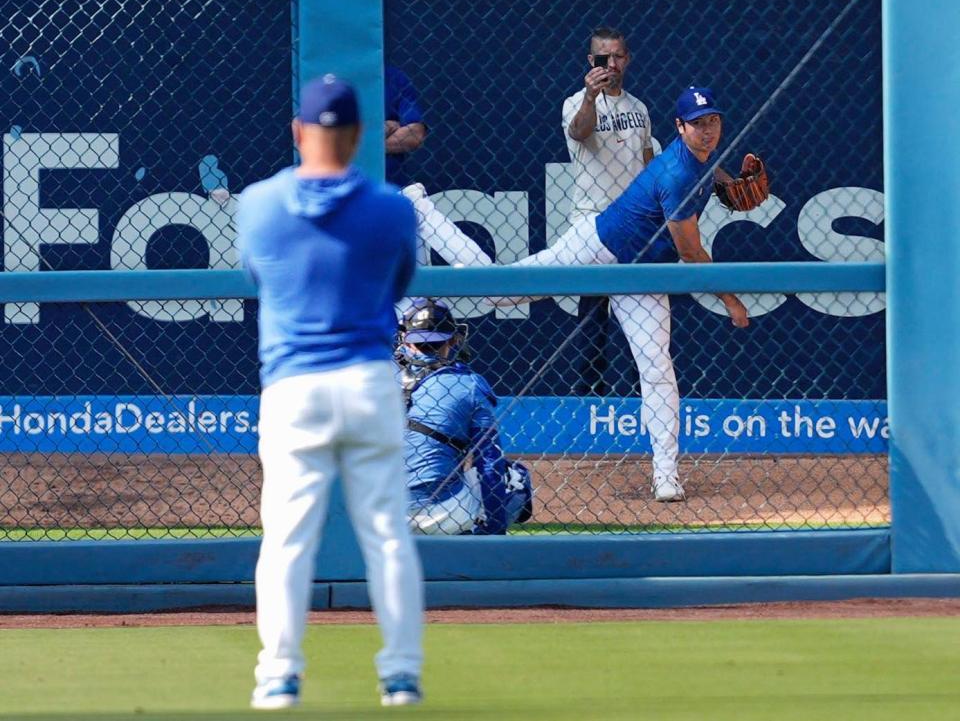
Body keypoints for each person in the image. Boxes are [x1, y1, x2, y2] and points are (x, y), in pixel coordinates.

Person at [238, 75, 424, 710]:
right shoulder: (392, 207)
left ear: (299, 133)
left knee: (287, 538)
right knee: (388, 535)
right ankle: (400, 676)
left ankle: (278, 676)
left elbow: (262, 277)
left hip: (295, 388)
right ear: (360, 137)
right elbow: (398, 285)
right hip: (370, 382)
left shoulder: (259, 204)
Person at [494, 86, 751, 503]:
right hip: (597, 246)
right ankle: (427, 217)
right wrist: (731, 299)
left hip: (642, 277)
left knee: (657, 367)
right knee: (499, 293)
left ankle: (666, 474)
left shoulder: (701, 159)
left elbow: (710, 166)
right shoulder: (677, 173)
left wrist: (728, 180)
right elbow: (689, 251)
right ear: (679, 127)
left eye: (713, 121)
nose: (707, 131)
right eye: (698, 124)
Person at [562, 27, 655, 397]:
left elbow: (648, 166)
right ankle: (589, 407)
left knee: (642, 326)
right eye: (604, 58)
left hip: (635, 226)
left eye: (618, 56)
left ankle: (640, 408)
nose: (612, 64)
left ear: (627, 59)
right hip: (592, 224)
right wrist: (590, 95)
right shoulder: (576, 103)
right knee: (592, 324)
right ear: (591, 62)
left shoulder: (639, 108)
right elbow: (581, 132)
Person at [395, 298, 534, 535]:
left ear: (406, 341)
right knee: (515, 476)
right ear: (452, 339)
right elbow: (489, 462)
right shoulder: (467, 383)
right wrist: (495, 528)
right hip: (446, 513)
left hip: (381, 514)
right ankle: (479, 541)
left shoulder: (378, 378)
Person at [385, 64, 491, 271]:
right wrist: (387, 127)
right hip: (350, 191)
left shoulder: (392, 77)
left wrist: (356, 142)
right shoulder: (327, 81)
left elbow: (414, 134)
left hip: (396, 188)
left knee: (420, 211)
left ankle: (492, 282)